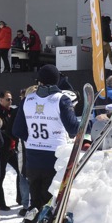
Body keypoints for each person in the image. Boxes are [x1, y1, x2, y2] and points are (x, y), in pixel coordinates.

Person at [11, 65, 81, 213]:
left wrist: (32, 138)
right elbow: (73, 129)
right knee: (50, 203)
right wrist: (88, 124)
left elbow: (17, 130)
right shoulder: (62, 99)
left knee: (35, 202)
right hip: (54, 157)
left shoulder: (27, 100)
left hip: (33, 158)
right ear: (57, 80)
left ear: (39, 81)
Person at [0, 89, 19, 211]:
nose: (10, 101)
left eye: (11, 99)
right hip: (2, 149)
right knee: (0, 176)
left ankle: (20, 197)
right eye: (8, 99)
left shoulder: (11, 112)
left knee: (21, 171)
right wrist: (8, 133)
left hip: (12, 148)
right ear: (1, 100)